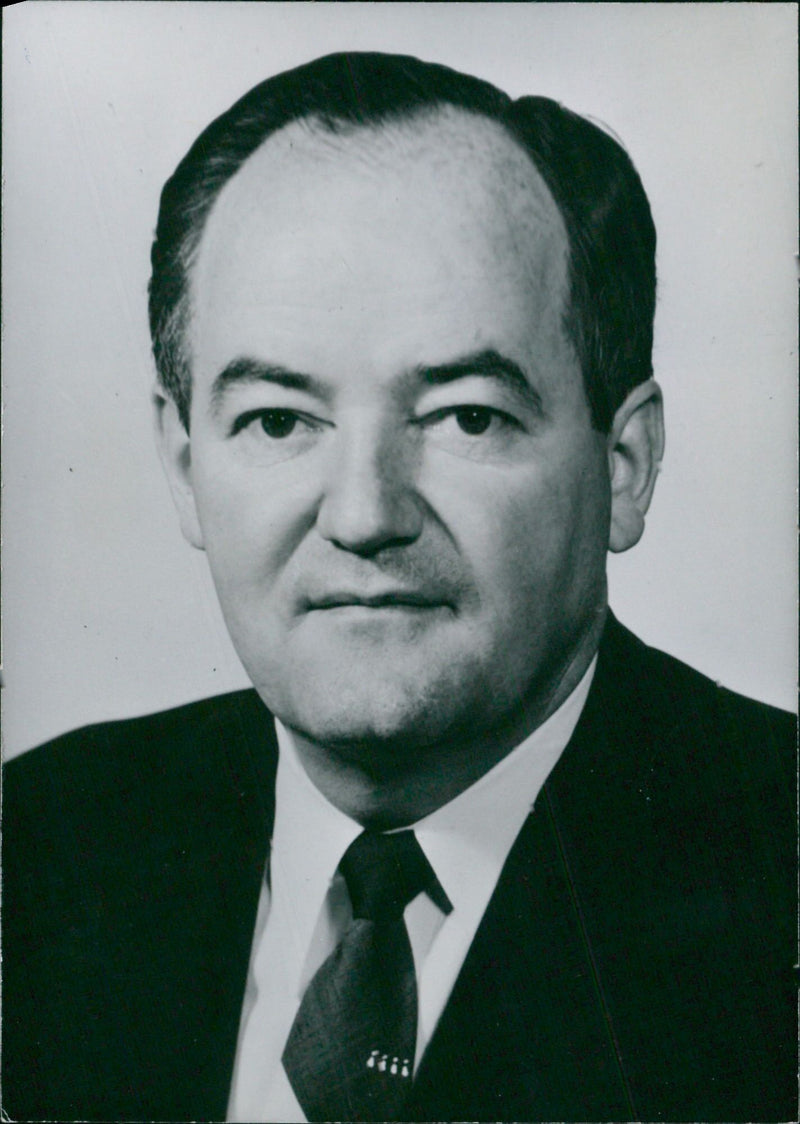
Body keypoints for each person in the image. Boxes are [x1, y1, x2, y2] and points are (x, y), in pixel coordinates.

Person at [3, 51, 795, 1123]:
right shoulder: (39, 846)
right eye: (280, 420)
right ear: (185, 463)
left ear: (622, 465)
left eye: (466, 415)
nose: (365, 512)